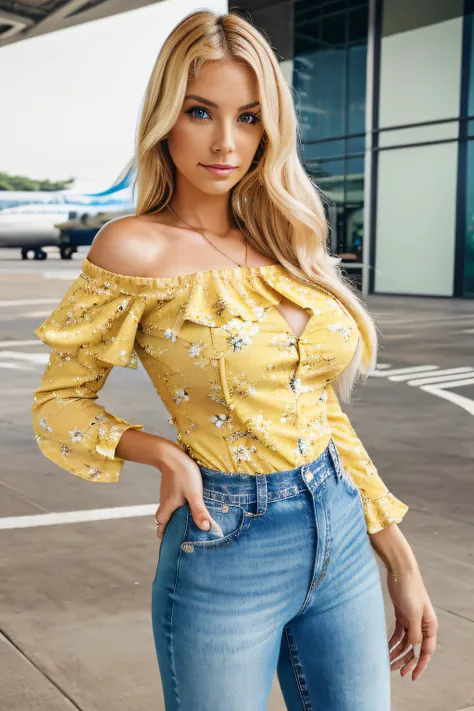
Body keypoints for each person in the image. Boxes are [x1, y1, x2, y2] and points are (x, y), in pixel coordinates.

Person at [30, 9, 438, 710]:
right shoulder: (133, 250)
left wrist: (398, 556)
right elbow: (58, 405)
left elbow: (321, 410)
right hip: (226, 546)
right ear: (166, 117)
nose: (226, 142)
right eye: (201, 112)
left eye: (249, 117)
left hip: (338, 527)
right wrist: (164, 453)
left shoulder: (282, 240)